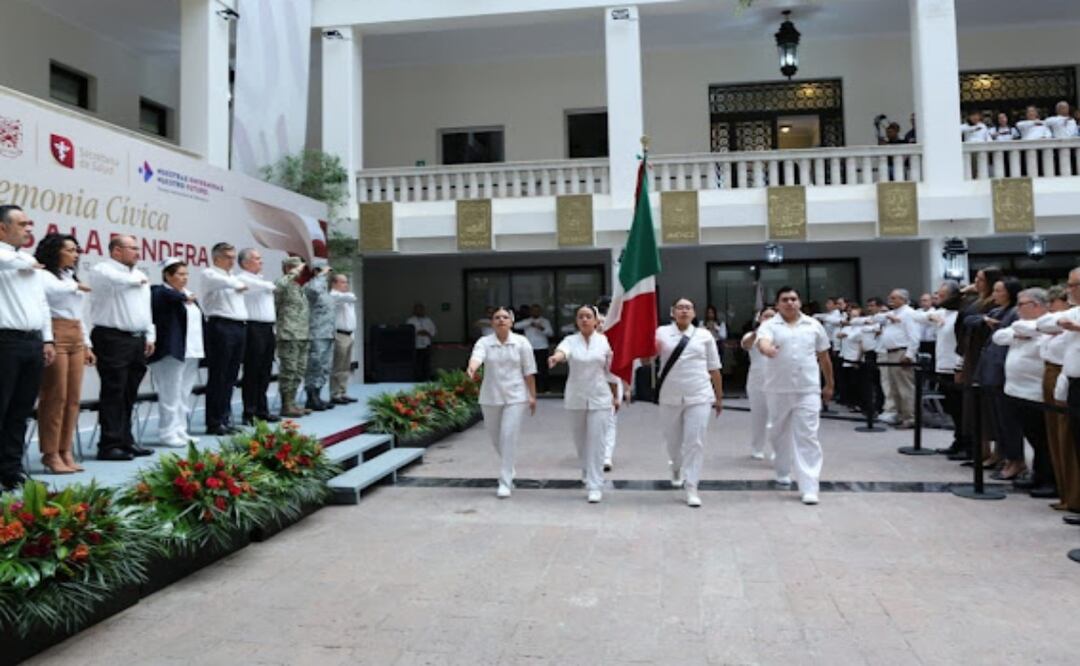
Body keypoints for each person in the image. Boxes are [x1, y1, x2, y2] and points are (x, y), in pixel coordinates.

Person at [756, 286, 833, 505]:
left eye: (793, 299)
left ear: (799, 302)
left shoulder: (813, 325)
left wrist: (829, 384)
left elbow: (824, 356)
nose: (790, 303)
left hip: (808, 389)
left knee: (807, 436)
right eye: (785, 299)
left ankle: (809, 486)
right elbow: (763, 342)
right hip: (777, 389)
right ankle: (782, 468)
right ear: (777, 304)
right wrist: (768, 349)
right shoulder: (769, 325)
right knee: (778, 432)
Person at [88, 234, 155, 461]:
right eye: (132, 248)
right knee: (113, 391)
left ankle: (126, 440)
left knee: (129, 392)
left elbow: (146, 309)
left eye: (137, 248)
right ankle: (109, 444)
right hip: (112, 338)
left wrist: (150, 335)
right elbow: (117, 280)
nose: (138, 252)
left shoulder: (139, 274)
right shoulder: (102, 270)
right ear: (116, 250)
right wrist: (137, 281)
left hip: (136, 339)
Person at [0, 205, 54, 488]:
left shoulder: (28, 259)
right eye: (22, 224)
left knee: (20, 411)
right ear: (2, 228)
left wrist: (47, 338)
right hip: (5, 342)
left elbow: (41, 303)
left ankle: (11, 471)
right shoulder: (12, 259)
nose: (28, 229)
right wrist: (26, 263)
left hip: (32, 342)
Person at [654, 297, 723, 508]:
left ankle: (692, 486)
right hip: (670, 394)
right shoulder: (661, 332)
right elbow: (648, 357)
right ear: (672, 312)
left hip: (699, 393)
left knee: (695, 441)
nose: (684, 311)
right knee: (673, 441)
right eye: (680, 308)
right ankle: (676, 465)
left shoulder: (704, 335)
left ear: (693, 313)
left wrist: (719, 397)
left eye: (688, 308)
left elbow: (714, 367)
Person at [548, 305, 619, 503]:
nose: (585, 320)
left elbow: (611, 372)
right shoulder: (570, 340)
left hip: (600, 396)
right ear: (576, 321)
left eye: (588, 316)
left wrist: (615, 396)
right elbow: (563, 352)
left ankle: (596, 484)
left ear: (596, 321)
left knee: (597, 440)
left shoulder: (605, 341)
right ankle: (587, 469)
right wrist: (556, 358)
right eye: (581, 317)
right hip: (576, 397)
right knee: (581, 441)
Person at [34, 233, 93, 474]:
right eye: (70, 250)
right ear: (55, 251)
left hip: (75, 333)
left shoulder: (70, 277)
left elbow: (79, 313)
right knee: (54, 395)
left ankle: (65, 449)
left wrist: (87, 343)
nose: (75, 255)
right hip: (55, 331)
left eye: (76, 250)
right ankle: (50, 453)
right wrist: (75, 286)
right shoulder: (43, 274)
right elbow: (52, 292)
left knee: (73, 397)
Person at [467, 306, 537, 499]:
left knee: (508, 436)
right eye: (497, 317)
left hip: (516, 396)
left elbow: (529, 371)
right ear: (492, 322)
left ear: (512, 322)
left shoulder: (522, 342)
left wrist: (532, 396)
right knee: (496, 438)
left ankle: (505, 481)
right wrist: (472, 368)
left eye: (505, 317)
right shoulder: (484, 342)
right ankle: (509, 465)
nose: (501, 320)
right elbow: (477, 357)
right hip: (490, 396)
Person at [992, 288, 1050, 489]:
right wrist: (1019, 333)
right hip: (1014, 390)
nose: (1017, 309)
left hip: (1034, 391)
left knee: (1041, 439)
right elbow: (999, 336)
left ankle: (1046, 478)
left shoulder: (1048, 324)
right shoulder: (1022, 326)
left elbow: (1025, 329)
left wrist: (1022, 332)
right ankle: (1037, 475)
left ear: (1036, 305)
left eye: (1021, 304)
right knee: (1029, 435)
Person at [149, 259, 204, 447]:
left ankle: (180, 429)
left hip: (191, 350)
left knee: (183, 393)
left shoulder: (188, 295)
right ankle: (167, 432)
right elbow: (166, 296)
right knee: (169, 394)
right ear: (167, 275)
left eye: (186, 274)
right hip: (170, 351)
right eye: (180, 274)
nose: (185, 278)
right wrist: (183, 297)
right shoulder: (160, 292)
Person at [953, 267, 1004, 463]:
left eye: (980, 279)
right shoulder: (976, 300)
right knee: (974, 407)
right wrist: (963, 292)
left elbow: (976, 320)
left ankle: (998, 454)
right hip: (971, 353)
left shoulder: (994, 302)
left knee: (989, 408)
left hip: (985, 353)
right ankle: (981, 451)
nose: (976, 282)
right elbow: (963, 317)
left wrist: (978, 319)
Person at [1036, 283, 1080, 511]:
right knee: (1061, 438)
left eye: (1075, 285)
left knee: (1069, 440)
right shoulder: (1071, 314)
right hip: (1065, 377)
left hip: (1068, 377)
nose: (1072, 290)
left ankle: (1074, 498)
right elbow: (1042, 324)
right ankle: (1068, 495)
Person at [971, 277, 1021, 470]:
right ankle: (1000, 455)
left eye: (999, 291)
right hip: (990, 368)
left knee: (1007, 420)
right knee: (996, 418)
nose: (994, 294)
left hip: (1003, 369)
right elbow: (969, 318)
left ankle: (1013, 459)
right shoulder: (995, 311)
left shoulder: (1014, 313)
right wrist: (984, 319)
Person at [201, 242, 248, 436]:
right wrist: (237, 284)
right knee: (218, 375)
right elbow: (229, 283)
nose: (232, 261)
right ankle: (214, 421)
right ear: (216, 258)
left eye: (233, 257)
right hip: (221, 326)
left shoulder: (232, 277)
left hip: (238, 326)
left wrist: (237, 282)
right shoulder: (210, 274)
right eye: (228, 257)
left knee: (231, 376)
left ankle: (224, 418)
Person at [236, 248, 279, 425]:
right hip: (253, 327)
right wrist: (269, 285)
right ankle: (249, 412)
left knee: (265, 371)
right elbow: (269, 287)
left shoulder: (260, 280)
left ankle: (262, 409)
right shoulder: (242, 278)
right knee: (252, 371)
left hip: (268, 328)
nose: (261, 261)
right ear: (245, 263)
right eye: (256, 258)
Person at [926, 282, 965, 456]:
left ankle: (966, 443)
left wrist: (960, 365)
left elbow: (963, 344)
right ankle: (958, 440)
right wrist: (931, 317)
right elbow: (920, 316)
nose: (938, 298)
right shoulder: (942, 313)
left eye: (942, 295)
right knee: (951, 407)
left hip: (955, 367)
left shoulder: (960, 315)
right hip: (942, 365)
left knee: (960, 408)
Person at [875, 289, 921, 428]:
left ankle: (910, 417)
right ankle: (900, 415)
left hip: (901, 352)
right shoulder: (893, 313)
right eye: (890, 297)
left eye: (894, 298)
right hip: (890, 352)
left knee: (905, 387)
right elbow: (876, 318)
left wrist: (909, 354)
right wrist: (888, 316)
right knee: (894, 387)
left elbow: (914, 336)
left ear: (903, 299)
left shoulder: (909, 313)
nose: (890, 300)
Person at [274, 257, 310, 418]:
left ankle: (293, 402)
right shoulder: (282, 283)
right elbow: (278, 287)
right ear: (289, 268)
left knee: (299, 371)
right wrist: (292, 273)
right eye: (297, 268)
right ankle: (286, 404)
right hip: (288, 334)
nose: (301, 271)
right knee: (289, 370)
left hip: (302, 334)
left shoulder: (299, 287)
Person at [741, 307, 776, 461]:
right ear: (759, 318)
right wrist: (758, 332)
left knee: (777, 418)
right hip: (757, 382)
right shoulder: (752, 335)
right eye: (766, 316)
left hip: (778, 381)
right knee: (758, 417)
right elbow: (746, 345)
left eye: (772, 316)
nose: (769, 319)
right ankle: (757, 448)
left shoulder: (782, 334)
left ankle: (777, 449)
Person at [304, 263, 335, 411]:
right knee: (314, 365)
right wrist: (320, 275)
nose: (327, 275)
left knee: (324, 367)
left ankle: (318, 395)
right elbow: (313, 290)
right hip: (316, 333)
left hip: (328, 333)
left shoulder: (325, 291)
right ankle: (311, 398)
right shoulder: (311, 287)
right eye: (324, 272)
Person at [330, 273, 359, 404]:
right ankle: (335, 394)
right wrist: (349, 295)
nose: (346, 285)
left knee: (346, 366)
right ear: (334, 283)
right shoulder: (333, 295)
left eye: (346, 282)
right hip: (340, 334)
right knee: (338, 366)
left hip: (349, 334)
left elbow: (351, 297)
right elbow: (351, 297)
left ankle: (343, 391)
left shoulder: (346, 297)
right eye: (342, 282)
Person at [514, 304, 553, 392]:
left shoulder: (545, 321)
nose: (535, 312)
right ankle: (532, 389)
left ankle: (545, 389)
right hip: (529, 348)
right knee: (529, 369)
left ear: (540, 312)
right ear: (530, 312)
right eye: (533, 310)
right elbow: (515, 326)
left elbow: (550, 333)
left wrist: (541, 328)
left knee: (543, 369)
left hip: (542, 347)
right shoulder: (527, 321)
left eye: (537, 310)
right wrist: (530, 323)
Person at [406, 302, 437, 381]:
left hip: (426, 345)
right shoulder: (410, 320)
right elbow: (408, 332)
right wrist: (418, 332)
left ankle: (426, 378)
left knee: (426, 363)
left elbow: (433, 332)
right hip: (416, 346)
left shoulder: (428, 320)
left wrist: (426, 333)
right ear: (414, 310)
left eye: (421, 309)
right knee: (417, 363)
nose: (420, 311)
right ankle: (417, 379)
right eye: (418, 309)